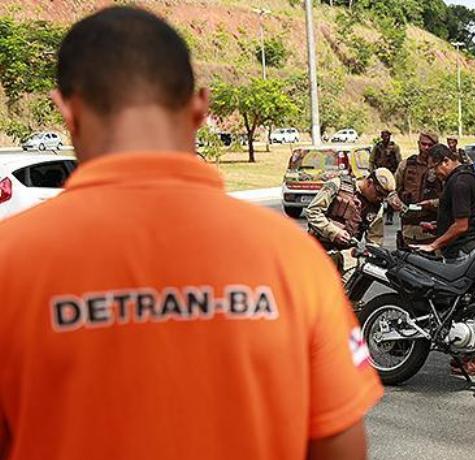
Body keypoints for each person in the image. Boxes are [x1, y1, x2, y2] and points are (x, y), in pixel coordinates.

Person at [0, 7, 382, 460]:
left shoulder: (11, 260)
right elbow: (341, 446)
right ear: (200, 105)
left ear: (66, 109)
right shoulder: (293, 258)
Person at [411, 144, 475, 375]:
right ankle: (467, 355)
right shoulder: (463, 177)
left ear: (445, 161)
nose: (436, 173)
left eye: (436, 168)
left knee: (463, 305)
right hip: (466, 247)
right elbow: (459, 218)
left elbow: (462, 225)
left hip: (464, 250)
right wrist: (438, 226)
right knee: (464, 303)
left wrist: (434, 244)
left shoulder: (460, 182)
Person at [304, 168, 398, 267]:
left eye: (384, 197)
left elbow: (375, 239)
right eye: (379, 194)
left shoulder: (377, 207)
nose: (380, 199)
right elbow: (313, 212)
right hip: (318, 250)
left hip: (347, 259)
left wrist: (372, 253)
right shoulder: (337, 185)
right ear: (370, 183)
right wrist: (334, 232)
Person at [395, 132, 442, 248]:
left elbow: (450, 197)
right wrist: (398, 204)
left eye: (430, 145)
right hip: (409, 226)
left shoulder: (441, 167)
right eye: (423, 144)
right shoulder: (406, 165)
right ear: (418, 144)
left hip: (432, 227)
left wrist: (432, 204)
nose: (426, 148)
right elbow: (392, 190)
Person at [371, 130, 401, 225]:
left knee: (390, 196)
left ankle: (389, 217)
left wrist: (396, 175)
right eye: (383, 136)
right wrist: (372, 172)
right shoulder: (377, 147)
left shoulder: (394, 147)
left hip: (390, 174)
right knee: (376, 195)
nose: (385, 138)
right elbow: (372, 160)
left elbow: (399, 161)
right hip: (379, 174)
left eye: (387, 136)